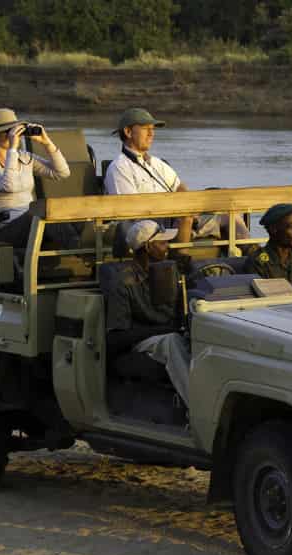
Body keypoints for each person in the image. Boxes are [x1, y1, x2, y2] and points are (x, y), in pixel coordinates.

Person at [105, 220, 191, 405]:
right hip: (143, 342)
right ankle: (197, 406)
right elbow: (116, 337)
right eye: (162, 243)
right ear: (147, 247)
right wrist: (165, 330)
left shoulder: (171, 271)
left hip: (169, 333)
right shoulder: (123, 281)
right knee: (172, 342)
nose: (167, 247)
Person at [0, 107, 72, 247]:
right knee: (41, 215)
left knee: (64, 213)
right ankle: (81, 249)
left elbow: (62, 173)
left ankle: (88, 247)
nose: (12, 135)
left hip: (31, 220)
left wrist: (46, 143)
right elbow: (8, 186)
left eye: (14, 130)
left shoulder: (24, 157)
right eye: (8, 131)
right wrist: (12, 149)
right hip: (5, 229)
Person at [103, 107, 193, 245]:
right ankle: (181, 261)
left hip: (174, 219)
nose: (152, 134)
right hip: (145, 228)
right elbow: (130, 211)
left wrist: (188, 206)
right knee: (186, 218)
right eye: (146, 128)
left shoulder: (158, 163)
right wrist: (178, 211)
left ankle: (236, 259)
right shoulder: (119, 167)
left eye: (153, 129)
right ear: (128, 132)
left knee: (227, 217)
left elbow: (180, 187)